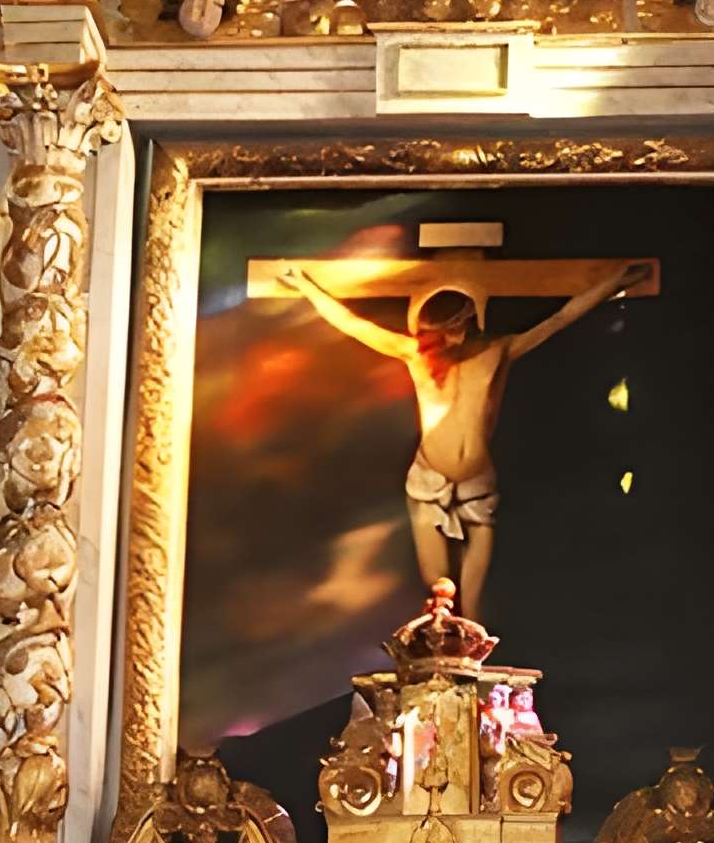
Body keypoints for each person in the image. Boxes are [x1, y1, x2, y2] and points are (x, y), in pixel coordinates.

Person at [275, 258, 643, 621]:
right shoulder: (416, 356)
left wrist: (611, 284)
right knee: (439, 591)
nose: (456, 334)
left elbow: (560, 319)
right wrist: (307, 287)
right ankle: (438, 665)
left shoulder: (497, 351)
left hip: (476, 484)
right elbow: (353, 324)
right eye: (448, 326)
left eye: (461, 323)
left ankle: (470, 668)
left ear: (471, 318)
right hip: (428, 481)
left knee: (474, 598)